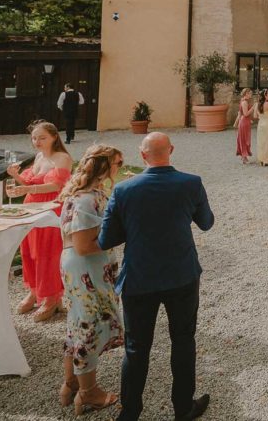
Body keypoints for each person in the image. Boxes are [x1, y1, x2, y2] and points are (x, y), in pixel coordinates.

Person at [99, 133, 214, 421]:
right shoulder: (191, 183)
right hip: (181, 274)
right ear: (171, 151)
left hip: (140, 276)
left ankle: (131, 412)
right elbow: (206, 223)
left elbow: (106, 239)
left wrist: (137, 228)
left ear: (142, 155)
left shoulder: (124, 190)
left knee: (136, 347)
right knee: (183, 339)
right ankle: (183, 407)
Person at [58, 145, 124, 414]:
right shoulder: (87, 199)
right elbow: (84, 245)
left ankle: (71, 383)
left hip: (81, 267)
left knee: (77, 323)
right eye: (117, 162)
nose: (120, 166)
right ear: (105, 165)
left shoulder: (84, 192)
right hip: (86, 267)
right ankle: (88, 393)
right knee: (91, 325)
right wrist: (124, 234)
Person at [7, 121, 73, 322]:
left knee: (48, 253)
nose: (37, 141)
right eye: (34, 138)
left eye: (42, 137)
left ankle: (51, 298)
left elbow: (56, 185)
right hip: (31, 207)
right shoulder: (38, 157)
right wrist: (16, 176)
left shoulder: (63, 158)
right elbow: (29, 183)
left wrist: (27, 190)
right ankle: (35, 291)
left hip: (51, 207)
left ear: (54, 137)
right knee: (30, 250)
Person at [233, 88, 255, 164]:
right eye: (250, 94)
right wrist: (253, 108)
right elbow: (245, 114)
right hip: (244, 122)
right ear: (246, 94)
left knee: (245, 138)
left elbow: (240, 113)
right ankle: (244, 157)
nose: (251, 95)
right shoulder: (244, 102)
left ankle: (244, 156)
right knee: (244, 139)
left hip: (245, 122)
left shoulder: (243, 101)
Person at [255, 90, 268, 167]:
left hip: (260, 124)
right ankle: (266, 160)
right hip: (267, 123)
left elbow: (255, 116)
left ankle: (261, 159)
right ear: (265, 95)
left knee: (261, 142)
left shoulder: (257, 104)